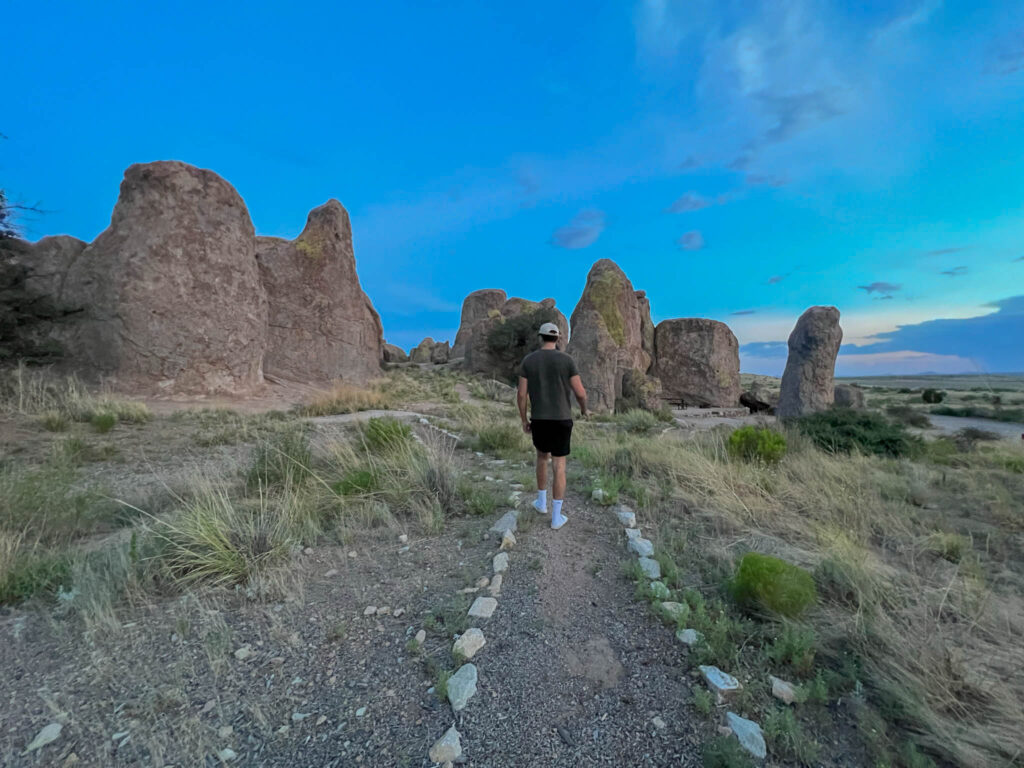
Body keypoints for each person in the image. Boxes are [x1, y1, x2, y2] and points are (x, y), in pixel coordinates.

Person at [516, 322, 588, 530]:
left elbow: (522, 394)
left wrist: (524, 419)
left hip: (539, 419)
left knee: (541, 458)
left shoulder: (528, 361)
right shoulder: (567, 360)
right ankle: (556, 517)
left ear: (540, 337)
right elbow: (580, 392)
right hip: (562, 419)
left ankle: (541, 502)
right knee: (559, 465)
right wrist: (584, 410)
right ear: (557, 339)